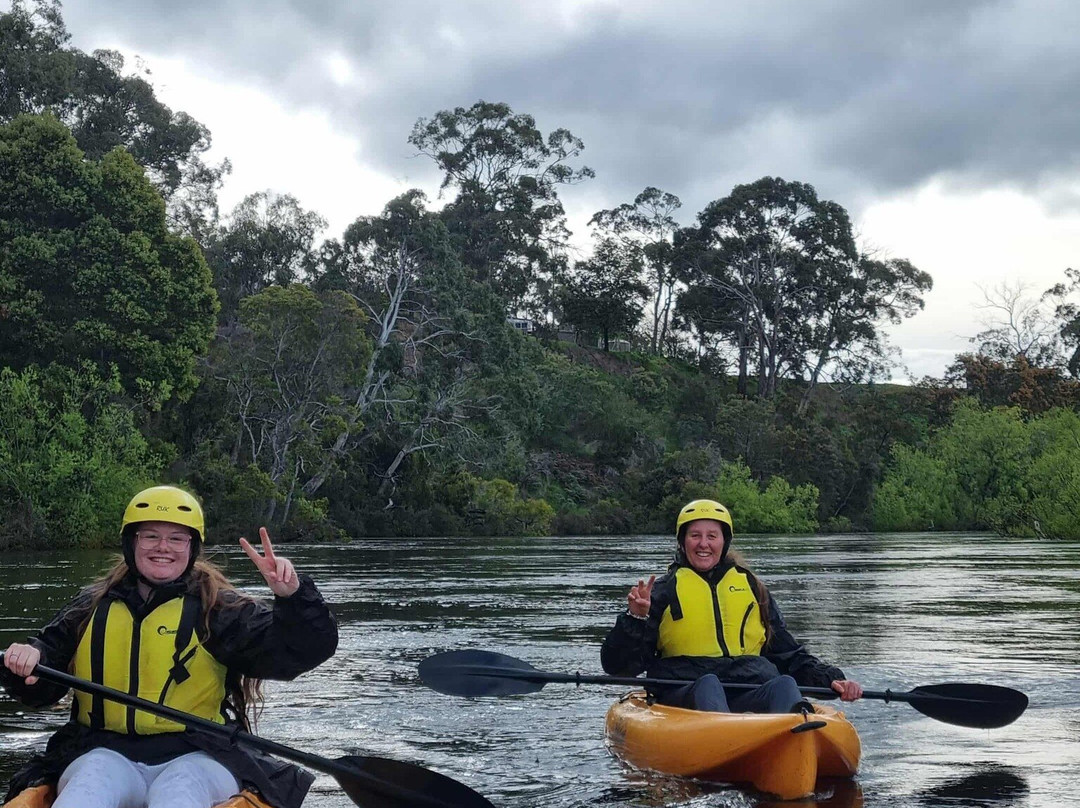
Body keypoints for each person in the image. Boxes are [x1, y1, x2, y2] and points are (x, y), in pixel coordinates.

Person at [1, 486, 338, 808]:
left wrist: (293, 598)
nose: (163, 547)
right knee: (87, 787)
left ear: (192, 548)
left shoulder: (218, 609)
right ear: (131, 542)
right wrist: (26, 665)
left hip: (200, 754)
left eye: (177, 538)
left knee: (177, 792)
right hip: (101, 750)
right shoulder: (89, 607)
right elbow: (40, 686)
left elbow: (299, 652)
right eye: (151, 536)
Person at [601, 499, 862, 715]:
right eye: (695, 536)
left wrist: (830, 678)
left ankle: (791, 742)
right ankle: (722, 745)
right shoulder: (662, 592)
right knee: (709, 685)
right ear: (683, 542)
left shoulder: (752, 588)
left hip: (748, 688)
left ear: (724, 542)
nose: (704, 544)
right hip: (685, 692)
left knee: (783, 684)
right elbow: (619, 667)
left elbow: (787, 654)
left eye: (712, 536)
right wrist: (635, 618)